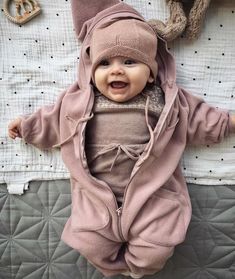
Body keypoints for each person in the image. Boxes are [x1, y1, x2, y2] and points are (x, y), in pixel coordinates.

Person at [7, 0, 235, 278]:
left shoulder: (165, 100)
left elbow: (201, 119)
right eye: (105, 63)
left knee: (157, 246)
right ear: (91, 71)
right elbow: (53, 121)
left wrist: (229, 121)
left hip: (152, 193)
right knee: (90, 242)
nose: (116, 70)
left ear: (151, 72)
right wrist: (28, 127)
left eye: (130, 61)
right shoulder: (80, 101)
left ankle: (139, 268)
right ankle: (112, 269)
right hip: (96, 196)